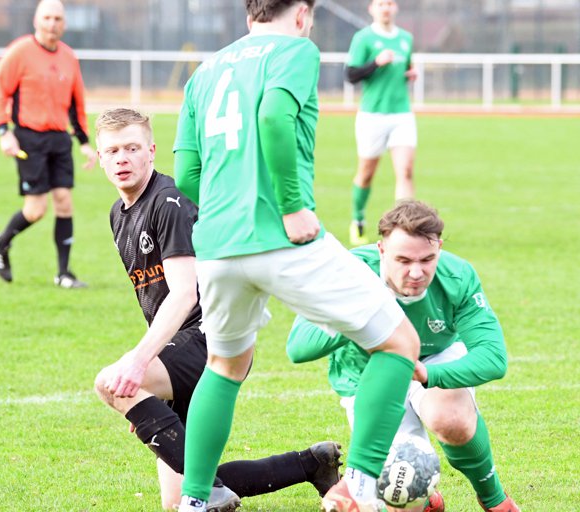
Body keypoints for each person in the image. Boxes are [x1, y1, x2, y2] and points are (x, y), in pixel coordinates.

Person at [172, 2, 421, 511]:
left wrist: (224, 211)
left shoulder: (205, 71)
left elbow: (186, 174)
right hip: (281, 237)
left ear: (250, 15)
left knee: (224, 366)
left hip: (216, 245)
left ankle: (193, 502)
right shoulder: (296, 50)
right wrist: (289, 206)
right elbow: (273, 115)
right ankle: (360, 487)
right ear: (304, 13)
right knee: (400, 343)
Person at [92, 108, 342, 511]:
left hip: (210, 336)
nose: (122, 158)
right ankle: (311, 464)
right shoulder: (118, 213)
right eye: (113, 151)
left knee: (112, 383)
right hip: (181, 340)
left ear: (151, 151)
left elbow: (184, 294)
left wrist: (139, 362)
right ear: (100, 158)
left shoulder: (168, 203)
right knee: (177, 499)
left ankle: (209, 490)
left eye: (132, 148)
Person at [288, 200, 521, 512]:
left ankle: (495, 499)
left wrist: (428, 374)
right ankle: (426, 501)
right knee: (398, 485)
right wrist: (365, 309)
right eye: (403, 260)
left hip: (432, 359)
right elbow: (299, 347)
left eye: (427, 259)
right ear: (382, 250)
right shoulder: (349, 272)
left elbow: (493, 358)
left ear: (439, 248)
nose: (416, 272)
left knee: (450, 418)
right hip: (367, 376)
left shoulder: (456, 276)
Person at [0, 0, 96, 288]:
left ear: (64, 24)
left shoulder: (69, 57)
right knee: (36, 210)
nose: (52, 24)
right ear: (36, 21)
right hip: (29, 138)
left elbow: (77, 102)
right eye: (47, 18)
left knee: (64, 202)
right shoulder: (20, 52)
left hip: (60, 139)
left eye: (57, 19)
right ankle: (0, 243)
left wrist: (84, 141)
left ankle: (63, 274)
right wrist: (3, 131)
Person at [344, 0, 418, 246]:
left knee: (405, 172)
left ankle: (406, 229)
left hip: (402, 114)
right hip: (372, 115)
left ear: (395, 7)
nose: (385, 8)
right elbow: (351, 75)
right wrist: (376, 62)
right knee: (366, 174)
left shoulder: (406, 38)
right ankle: (358, 219)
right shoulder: (363, 38)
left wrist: (410, 74)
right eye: (380, 4)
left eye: (389, 3)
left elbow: (406, 67)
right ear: (371, 9)